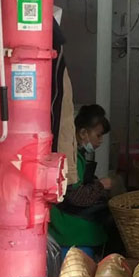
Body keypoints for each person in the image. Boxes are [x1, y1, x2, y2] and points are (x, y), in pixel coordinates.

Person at [49, 104, 113, 258]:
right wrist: (101, 185)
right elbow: (76, 197)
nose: (101, 141)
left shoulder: (77, 154)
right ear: (83, 133)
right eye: (98, 135)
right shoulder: (72, 159)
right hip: (65, 223)